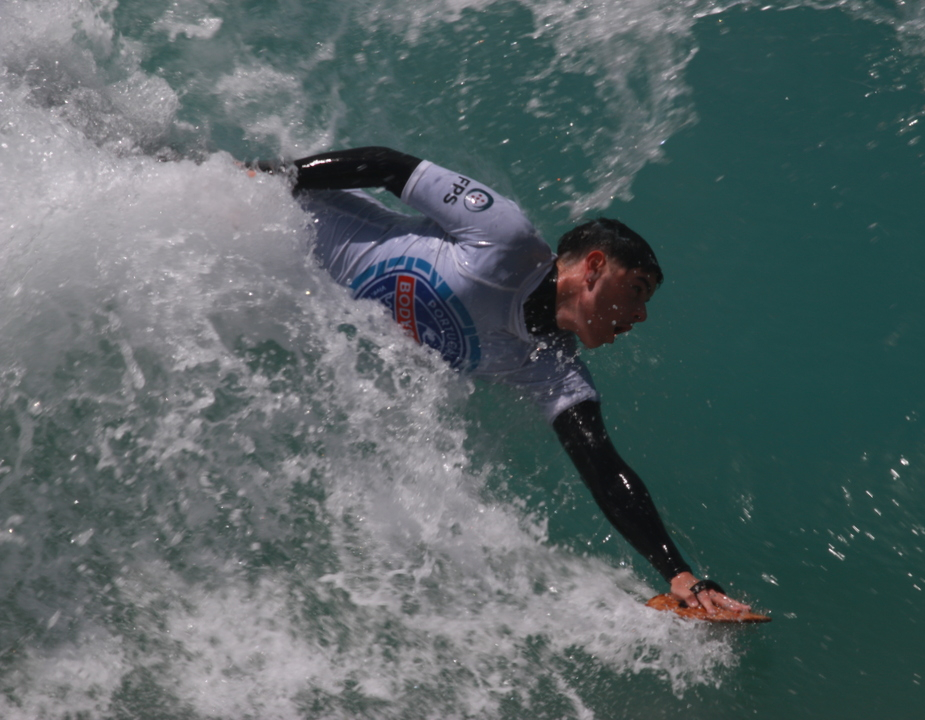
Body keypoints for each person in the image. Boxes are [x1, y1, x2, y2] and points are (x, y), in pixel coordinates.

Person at [258, 146, 750, 614]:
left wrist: (679, 573)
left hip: (281, 289)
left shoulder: (547, 367)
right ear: (595, 266)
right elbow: (389, 166)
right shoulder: (504, 238)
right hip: (280, 215)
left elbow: (604, 467)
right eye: (637, 291)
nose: (640, 315)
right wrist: (265, 176)